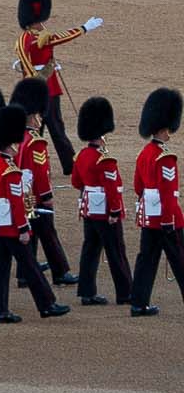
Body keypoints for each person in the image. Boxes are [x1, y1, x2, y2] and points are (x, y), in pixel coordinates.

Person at [0, 103, 70, 323]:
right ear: (11, 143)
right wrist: (22, 228)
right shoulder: (10, 171)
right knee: (30, 265)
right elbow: (16, 203)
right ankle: (47, 304)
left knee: (1, 268)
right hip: (12, 225)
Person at [16, 0, 101, 173]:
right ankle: (26, 161)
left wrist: (85, 28)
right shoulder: (25, 39)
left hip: (50, 88)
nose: (41, 24)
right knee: (32, 129)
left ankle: (69, 165)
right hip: (35, 89)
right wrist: (85, 28)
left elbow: (58, 39)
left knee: (57, 128)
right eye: (38, 21)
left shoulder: (41, 35)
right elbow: (26, 56)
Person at [71, 96, 132, 308]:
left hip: (89, 209)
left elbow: (76, 182)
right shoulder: (103, 159)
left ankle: (87, 292)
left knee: (90, 250)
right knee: (116, 251)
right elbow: (112, 189)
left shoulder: (81, 156)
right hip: (106, 211)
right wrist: (115, 211)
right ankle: (125, 292)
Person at [129, 87, 184, 316]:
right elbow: (168, 192)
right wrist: (169, 220)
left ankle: (138, 303)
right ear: (165, 127)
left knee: (146, 260)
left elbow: (138, 187)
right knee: (181, 261)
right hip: (166, 218)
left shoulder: (145, 153)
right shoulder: (165, 158)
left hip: (149, 217)